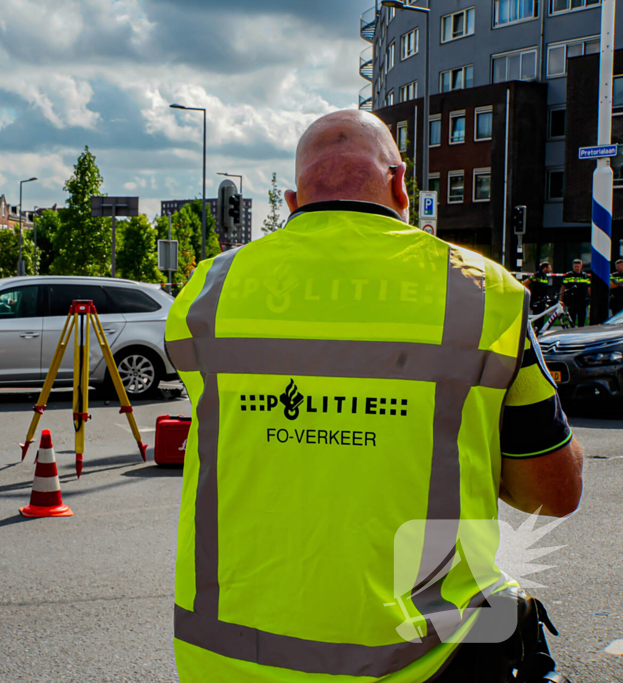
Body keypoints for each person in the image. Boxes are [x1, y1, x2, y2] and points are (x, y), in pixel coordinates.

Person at [166, 110, 583, 683]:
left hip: (229, 660)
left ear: (291, 200)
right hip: (426, 659)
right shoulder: (484, 297)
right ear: (400, 183)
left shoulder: (208, 293)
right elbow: (553, 494)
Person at [559, 259, 590, 327]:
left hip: (582, 301)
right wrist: (561, 300)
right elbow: (563, 288)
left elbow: (589, 289)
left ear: (581, 266)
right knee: (571, 320)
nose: (576, 268)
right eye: (575, 266)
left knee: (581, 321)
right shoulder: (568, 275)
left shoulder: (585, 276)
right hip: (572, 301)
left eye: (578, 266)